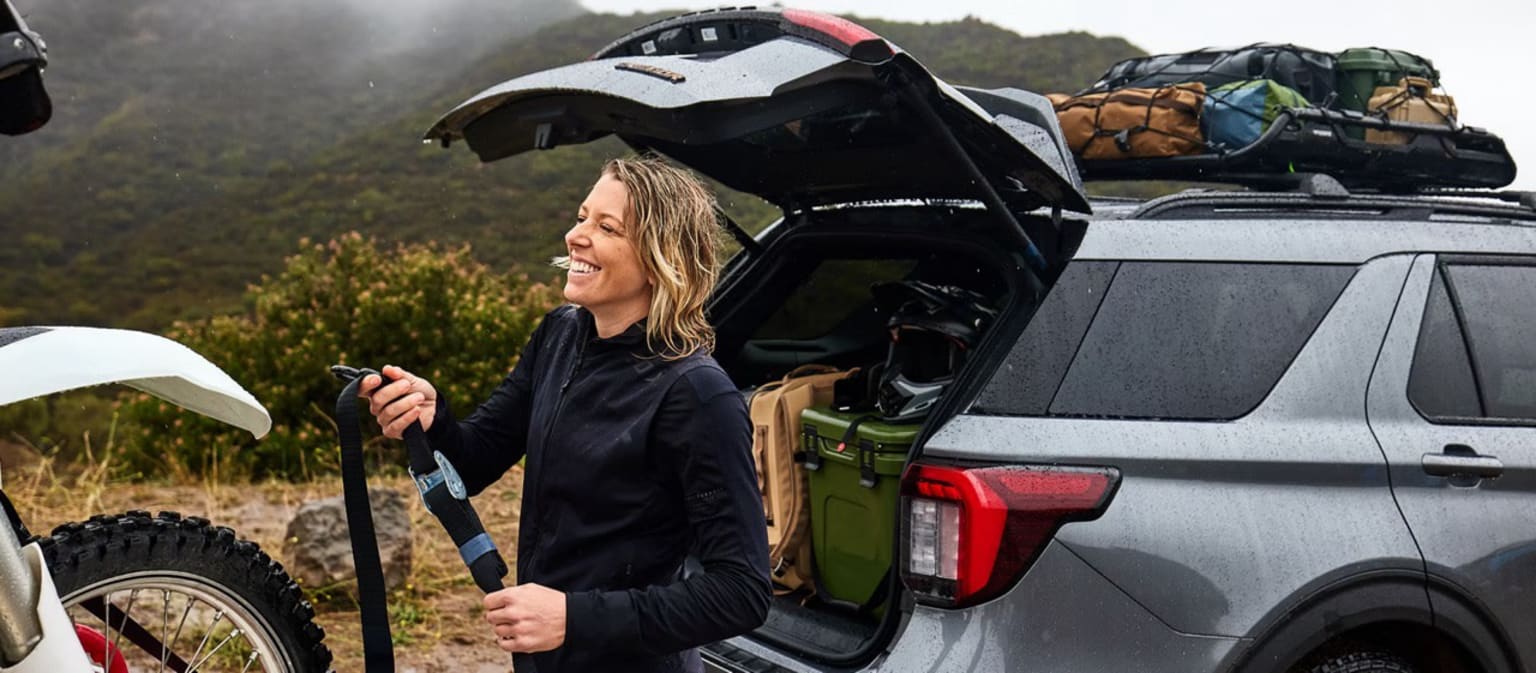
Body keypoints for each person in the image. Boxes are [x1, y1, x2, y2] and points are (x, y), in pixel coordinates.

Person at [358, 155, 771, 673]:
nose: (576, 236)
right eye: (581, 217)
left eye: (607, 227)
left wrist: (575, 619)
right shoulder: (561, 335)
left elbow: (742, 591)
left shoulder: (697, 395)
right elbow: (476, 459)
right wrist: (431, 417)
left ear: (660, 258)